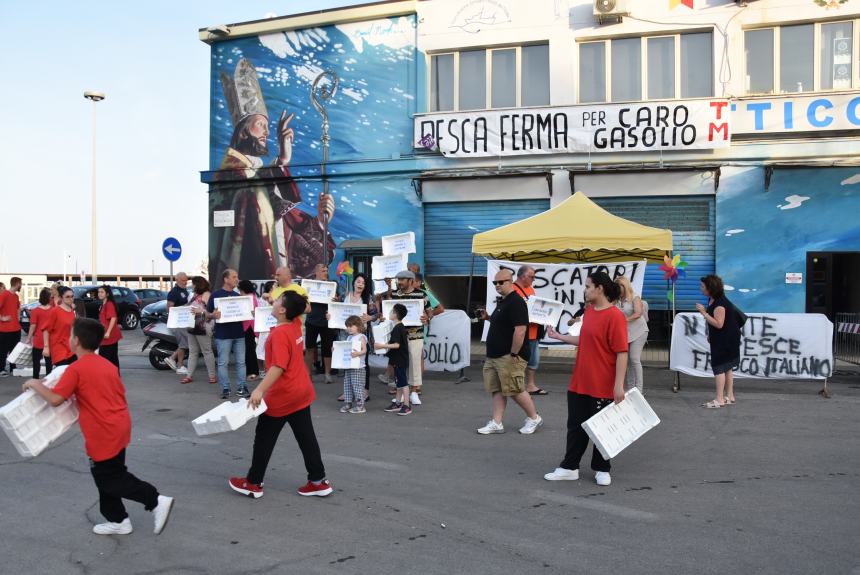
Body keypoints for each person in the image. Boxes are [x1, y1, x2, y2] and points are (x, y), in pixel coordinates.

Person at [23, 318, 174, 535]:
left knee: (109, 478)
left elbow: (56, 399)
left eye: (69, 335)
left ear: (75, 340)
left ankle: (155, 500)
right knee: (110, 474)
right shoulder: (106, 364)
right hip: (119, 425)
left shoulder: (76, 369)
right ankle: (118, 520)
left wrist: (35, 383)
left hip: (103, 431)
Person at [211, 58, 335, 281]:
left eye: (268, 126)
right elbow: (263, 203)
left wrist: (319, 222)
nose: (266, 132)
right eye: (261, 125)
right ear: (242, 133)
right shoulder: (231, 176)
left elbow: (280, 212)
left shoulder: (255, 175)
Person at [229, 290, 333, 499]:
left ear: (283, 310)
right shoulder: (295, 324)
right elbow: (302, 306)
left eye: (277, 300)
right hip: (301, 391)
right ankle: (318, 481)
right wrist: (277, 299)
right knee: (306, 438)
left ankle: (253, 482)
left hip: (282, 396)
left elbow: (278, 366)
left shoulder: (279, 334)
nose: (273, 301)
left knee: (264, 439)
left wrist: (259, 389)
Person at [544, 272, 628, 487]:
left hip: (603, 383)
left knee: (603, 428)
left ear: (599, 288)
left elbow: (621, 352)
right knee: (575, 427)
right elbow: (584, 339)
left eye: (588, 286)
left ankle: (602, 468)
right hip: (580, 381)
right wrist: (560, 336)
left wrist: (618, 385)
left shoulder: (615, 316)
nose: (585, 290)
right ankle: (569, 467)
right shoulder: (589, 312)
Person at [476, 269, 543, 435]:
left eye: (501, 282)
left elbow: (520, 330)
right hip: (494, 355)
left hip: (508, 356)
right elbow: (503, 324)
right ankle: (497, 423)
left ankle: (534, 418)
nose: (497, 285)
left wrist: (513, 354)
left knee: (515, 389)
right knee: (497, 389)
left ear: (510, 281)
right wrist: (488, 318)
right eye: (495, 283)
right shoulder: (504, 301)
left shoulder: (516, 302)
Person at [696, 274, 742, 408]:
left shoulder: (719, 305)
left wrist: (704, 313)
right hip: (727, 338)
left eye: (703, 286)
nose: (701, 289)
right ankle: (730, 396)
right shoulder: (715, 300)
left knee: (719, 368)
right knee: (727, 367)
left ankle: (720, 399)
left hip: (724, 340)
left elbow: (719, 324)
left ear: (710, 288)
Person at [386, 270, 431, 401]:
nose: (399, 282)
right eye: (398, 279)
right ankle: (400, 393)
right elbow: (387, 308)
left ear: (411, 281)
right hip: (398, 335)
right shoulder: (394, 294)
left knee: (415, 362)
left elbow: (430, 313)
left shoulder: (422, 294)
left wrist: (426, 318)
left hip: (416, 333)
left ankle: (414, 392)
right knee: (398, 363)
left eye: (402, 279)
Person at [205, 269, 250, 400]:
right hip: (223, 335)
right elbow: (207, 315)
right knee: (223, 363)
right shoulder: (216, 295)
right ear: (226, 279)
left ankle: (242, 387)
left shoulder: (238, 296)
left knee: (241, 362)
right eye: (234, 277)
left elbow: (245, 314)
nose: (237, 279)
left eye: (237, 277)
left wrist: (249, 313)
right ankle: (225, 388)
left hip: (239, 334)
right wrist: (213, 315)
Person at [337, 273, 377, 402]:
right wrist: (330, 316)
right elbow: (335, 311)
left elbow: (377, 314)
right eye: (358, 281)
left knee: (362, 364)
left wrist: (370, 317)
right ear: (353, 282)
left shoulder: (368, 299)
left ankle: (364, 391)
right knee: (347, 362)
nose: (360, 284)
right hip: (345, 334)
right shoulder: (344, 296)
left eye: (363, 283)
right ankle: (347, 392)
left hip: (361, 335)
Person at [511, 265, 547, 396]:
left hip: (532, 332)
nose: (534, 279)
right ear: (523, 276)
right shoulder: (512, 289)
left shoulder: (530, 289)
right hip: (519, 333)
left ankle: (530, 385)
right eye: (532, 277)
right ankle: (515, 385)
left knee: (533, 360)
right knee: (518, 360)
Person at [305, 264, 339, 384]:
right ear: (316, 272)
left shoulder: (332, 285)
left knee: (327, 348)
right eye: (323, 271)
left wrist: (337, 300)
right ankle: (308, 375)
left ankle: (327, 374)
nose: (326, 272)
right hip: (311, 321)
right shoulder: (308, 285)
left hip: (326, 322)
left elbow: (337, 302)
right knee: (309, 348)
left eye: (326, 270)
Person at [375, 303, 411, 416]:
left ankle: (407, 405)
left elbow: (396, 345)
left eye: (391, 311)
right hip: (398, 360)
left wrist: (382, 346)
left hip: (400, 360)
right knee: (399, 382)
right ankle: (398, 403)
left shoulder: (397, 328)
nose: (389, 313)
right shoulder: (399, 326)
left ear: (395, 314)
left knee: (403, 383)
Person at [615, 276, 649, 394]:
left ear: (625, 286)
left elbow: (638, 313)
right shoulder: (616, 300)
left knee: (634, 358)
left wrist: (624, 320)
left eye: (620, 286)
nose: (618, 289)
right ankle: (630, 390)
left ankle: (639, 390)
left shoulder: (634, 297)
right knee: (627, 361)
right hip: (626, 333)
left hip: (639, 331)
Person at [184, 276, 217, 385]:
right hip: (192, 326)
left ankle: (212, 376)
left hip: (203, 326)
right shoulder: (194, 295)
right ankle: (189, 375)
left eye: (193, 283)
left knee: (206, 351)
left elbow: (212, 311)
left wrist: (201, 311)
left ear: (198, 284)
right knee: (193, 352)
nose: (192, 285)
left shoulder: (206, 294)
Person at [339, 315, 368, 414]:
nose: (349, 328)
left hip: (358, 367)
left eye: (351, 326)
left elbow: (365, 350)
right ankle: (348, 403)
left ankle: (360, 406)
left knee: (357, 386)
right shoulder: (349, 337)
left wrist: (357, 353)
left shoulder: (361, 337)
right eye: (347, 326)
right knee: (347, 385)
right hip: (348, 366)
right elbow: (344, 349)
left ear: (358, 326)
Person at [44, 286, 78, 367]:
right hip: (59, 348)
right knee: (62, 374)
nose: (71, 299)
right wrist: (46, 347)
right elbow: (46, 329)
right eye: (67, 297)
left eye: (72, 296)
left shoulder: (71, 311)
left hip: (71, 347)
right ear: (61, 298)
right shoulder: (55, 311)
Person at [165, 272, 190, 376]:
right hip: (177, 322)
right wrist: (184, 306)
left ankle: (176, 362)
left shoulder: (185, 291)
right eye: (183, 280)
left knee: (184, 343)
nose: (186, 282)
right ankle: (178, 364)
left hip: (184, 321)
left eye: (186, 280)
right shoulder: (174, 292)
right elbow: (169, 308)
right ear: (178, 280)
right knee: (184, 343)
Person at [25, 288, 53, 379]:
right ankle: (48, 381)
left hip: (38, 340)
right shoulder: (54, 310)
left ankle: (35, 380)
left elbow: (33, 326)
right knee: (49, 363)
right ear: (49, 298)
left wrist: (29, 338)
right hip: (50, 340)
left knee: (36, 362)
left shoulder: (35, 311)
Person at [238, 280, 261, 381]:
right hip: (250, 327)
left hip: (248, 327)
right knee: (250, 350)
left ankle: (252, 373)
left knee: (249, 351)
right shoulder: (253, 297)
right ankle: (252, 372)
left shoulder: (248, 298)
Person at [0, 276, 22, 377]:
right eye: (20, 283)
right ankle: (1, 369)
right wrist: (2, 318)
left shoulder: (16, 296)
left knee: (14, 350)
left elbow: (17, 308)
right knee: (3, 350)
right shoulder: (4, 294)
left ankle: (13, 368)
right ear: (17, 283)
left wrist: (18, 318)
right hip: (5, 329)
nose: (21, 285)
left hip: (16, 328)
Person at [97, 285, 122, 371]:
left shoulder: (109, 304)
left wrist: (108, 332)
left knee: (105, 358)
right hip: (107, 335)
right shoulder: (104, 303)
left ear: (107, 294)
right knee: (112, 358)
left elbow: (113, 318)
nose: (99, 294)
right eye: (98, 292)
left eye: (102, 292)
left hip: (109, 336)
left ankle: (109, 376)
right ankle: (114, 376)